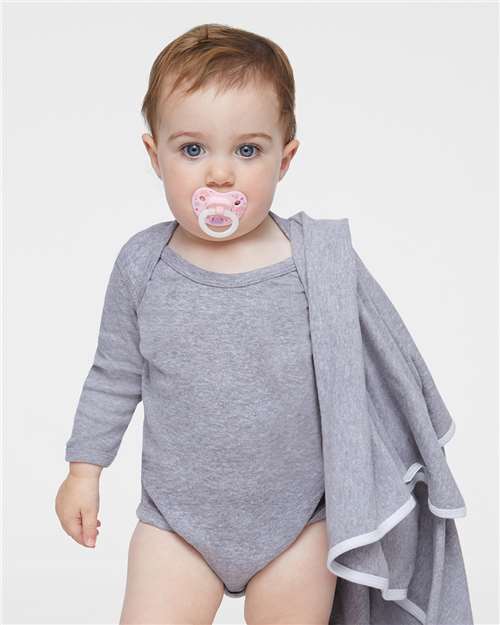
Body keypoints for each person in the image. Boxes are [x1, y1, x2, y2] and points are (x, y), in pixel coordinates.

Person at [55, 23, 473, 625]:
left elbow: (372, 377)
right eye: (192, 150)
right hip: (176, 524)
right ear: (154, 155)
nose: (219, 175)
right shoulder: (142, 265)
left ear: (286, 157)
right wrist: (83, 470)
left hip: (299, 524)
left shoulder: (314, 263)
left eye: (247, 151)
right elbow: (113, 375)